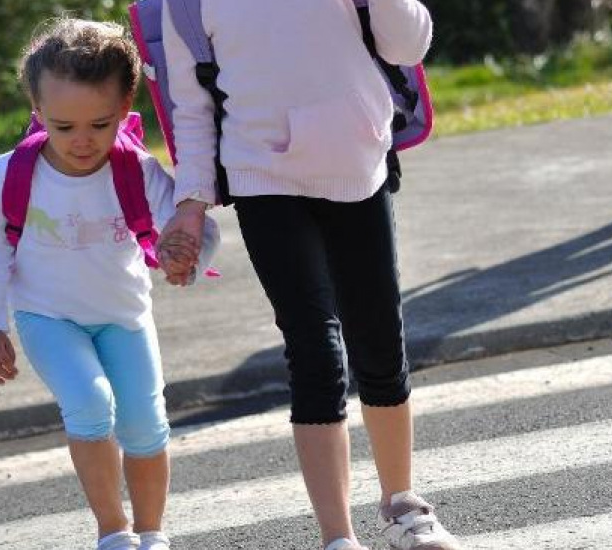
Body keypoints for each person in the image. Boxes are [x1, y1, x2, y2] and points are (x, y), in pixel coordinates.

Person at [155, 1, 460, 549]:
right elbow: (193, 108)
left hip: (358, 165)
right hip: (261, 178)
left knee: (379, 339)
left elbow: (407, 47)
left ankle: (402, 508)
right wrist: (191, 202)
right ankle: (337, 537)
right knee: (315, 351)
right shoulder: (187, 4)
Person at [0, 18, 219, 550]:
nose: (82, 141)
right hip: (47, 317)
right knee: (90, 404)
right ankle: (113, 533)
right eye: (63, 127)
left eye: (100, 125)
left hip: (124, 318)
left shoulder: (137, 170)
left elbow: (196, 228)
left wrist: (185, 257)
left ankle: (151, 534)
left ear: (125, 111)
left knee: (146, 425)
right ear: (38, 113)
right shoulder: (11, 174)